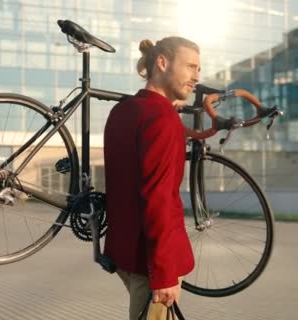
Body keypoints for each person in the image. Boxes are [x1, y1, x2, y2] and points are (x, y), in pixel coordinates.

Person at [103, 37, 219, 320]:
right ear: (162, 63)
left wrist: (169, 109)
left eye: (199, 69)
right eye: (190, 66)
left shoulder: (123, 111)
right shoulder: (162, 120)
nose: (197, 76)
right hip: (151, 264)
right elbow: (159, 199)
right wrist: (164, 272)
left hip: (125, 254)